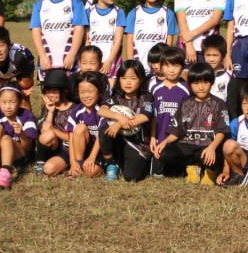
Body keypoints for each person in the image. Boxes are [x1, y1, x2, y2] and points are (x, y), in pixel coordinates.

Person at [155, 62, 230, 185]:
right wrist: (164, 142)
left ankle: (210, 171)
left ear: (211, 82)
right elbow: (176, 131)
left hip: (208, 146)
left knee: (215, 154)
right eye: (196, 83)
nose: (200, 87)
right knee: (164, 153)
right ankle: (192, 166)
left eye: (205, 82)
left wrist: (212, 147)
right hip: (187, 144)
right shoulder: (184, 103)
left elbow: (222, 130)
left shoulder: (219, 104)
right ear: (190, 84)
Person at [98, 60, 154, 182]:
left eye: (133, 78)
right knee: (104, 131)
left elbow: (144, 116)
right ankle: (111, 164)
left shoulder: (146, 96)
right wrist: (119, 117)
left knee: (131, 177)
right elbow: (101, 111)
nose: (128, 82)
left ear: (141, 79)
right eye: (124, 78)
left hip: (138, 144)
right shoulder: (115, 97)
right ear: (119, 79)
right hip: (119, 140)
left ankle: (133, 162)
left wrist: (119, 124)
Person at [29, 0, 88, 75]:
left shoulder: (75, 2)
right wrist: (42, 55)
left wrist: (72, 55)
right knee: (49, 92)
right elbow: (36, 30)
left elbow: (79, 30)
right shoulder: (40, 3)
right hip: (47, 60)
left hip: (70, 61)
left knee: (70, 92)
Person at [0, 84, 37, 189]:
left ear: (19, 102)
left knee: (6, 139)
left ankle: (5, 172)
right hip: (0, 154)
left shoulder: (27, 116)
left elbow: (28, 147)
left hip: (20, 156)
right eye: (3, 102)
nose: (8, 106)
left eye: (12, 102)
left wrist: (22, 134)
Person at [0, 26, 36, 120]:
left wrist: (15, 88)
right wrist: (7, 87)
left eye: (1, 45)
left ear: (9, 45)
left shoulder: (19, 57)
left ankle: (28, 126)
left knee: (23, 96)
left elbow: (27, 83)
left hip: (20, 68)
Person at [149, 46, 191, 176]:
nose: (171, 70)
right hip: (159, 138)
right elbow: (154, 117)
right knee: (157, 172)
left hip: (179, 140)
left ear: (183, 67)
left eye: (176, 66)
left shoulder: (186, 89)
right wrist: (152, 138)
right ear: (160, 67)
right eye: (167, 66)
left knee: (176, 173)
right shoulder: (155, 88)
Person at [125, 0, 178, 71]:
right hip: (139, 68)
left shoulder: (168, 14)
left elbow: (169, 43)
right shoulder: (134, 13)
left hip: (159, 68)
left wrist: (165, 65)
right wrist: (130, 64)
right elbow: (129, 41)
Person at [66, 72, 111, 178]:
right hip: (84, 150)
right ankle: (79, 164)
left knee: (90, 173)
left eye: (90, 91)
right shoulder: (76, 111)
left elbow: (102, 136)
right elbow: (71, 138)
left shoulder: (103, 109)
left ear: (99, 92)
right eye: (82, 92)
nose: (86, 95)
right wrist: (73, 162)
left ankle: (101, 164)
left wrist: (92, 157)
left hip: (101, 151)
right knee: (79, 128)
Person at [35, 69, 75, 177]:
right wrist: (51, 112)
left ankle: (64, 162)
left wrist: (54, 130)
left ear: (64, 90)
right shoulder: (48, 107)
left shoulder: (74, 109)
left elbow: (72, 138)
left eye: (54, 91)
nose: (51, 94)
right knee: (47, 134)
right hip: (54, 146)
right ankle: (40, 161)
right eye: (48, 91)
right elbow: (45, 131)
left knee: (49, 169)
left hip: (68, 149)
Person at [87, 0, 126, 79]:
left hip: (112, 62)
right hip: (93, 63)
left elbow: (118, 41)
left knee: (110, 94)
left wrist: (109, 61)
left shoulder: (119, 12)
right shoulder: (88, 12)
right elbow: (87, 41)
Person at [201, 35, 230, 101]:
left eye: (215, 55)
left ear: (223, 55)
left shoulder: (229, 76)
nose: (211, 59)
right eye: (208, 55)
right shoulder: (200, 74)